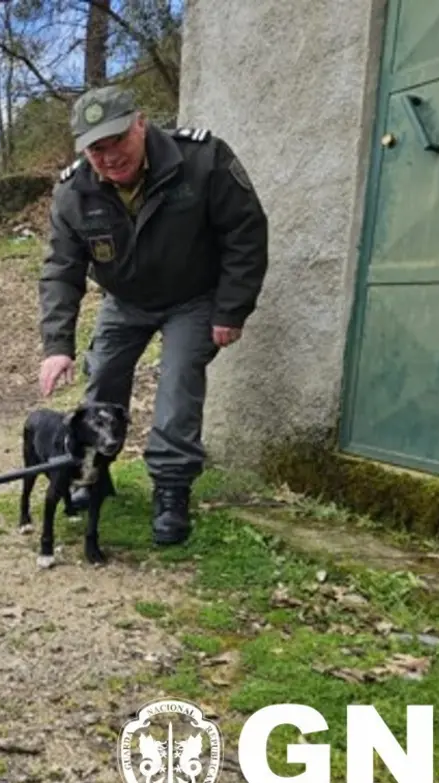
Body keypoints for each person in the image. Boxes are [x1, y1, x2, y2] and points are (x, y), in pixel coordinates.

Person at [37, 84, 268, 546]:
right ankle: (92, 476)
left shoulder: (202, 160)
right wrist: (57, 346)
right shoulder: (74, 191)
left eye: (117, 140)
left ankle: (171, 489)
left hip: (194, 297)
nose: (109, 157)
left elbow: (245, 233)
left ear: (140, 123)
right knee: (101, 379)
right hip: (125, 300)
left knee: (178, 384)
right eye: (95, 149)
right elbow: (62, 269)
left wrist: (231, 308)